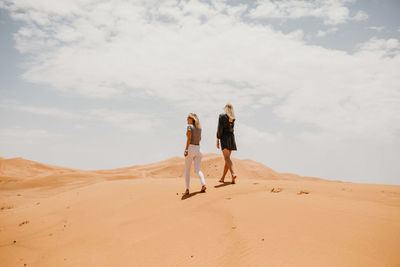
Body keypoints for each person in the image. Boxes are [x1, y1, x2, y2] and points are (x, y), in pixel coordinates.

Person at [184, 113, 207, 195]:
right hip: (198, 149)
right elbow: (200, 139)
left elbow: (189, 139)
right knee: (198, 169)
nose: (187, 119)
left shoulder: (189, 127)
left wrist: (186, 150)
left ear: (192, 119)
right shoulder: (199, 128)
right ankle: (203, 184)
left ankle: (187, 189)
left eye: (188, 118)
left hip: (191, 148)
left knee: (187, 170)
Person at [216, 103, 237, 184]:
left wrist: (217, 139)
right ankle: (223, 178)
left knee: (227, 158)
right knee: (227, 159)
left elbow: (219, 129)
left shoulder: (222, 116)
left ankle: (233, 174)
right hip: (231, 138)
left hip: (224, 137)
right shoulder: (233, 118)